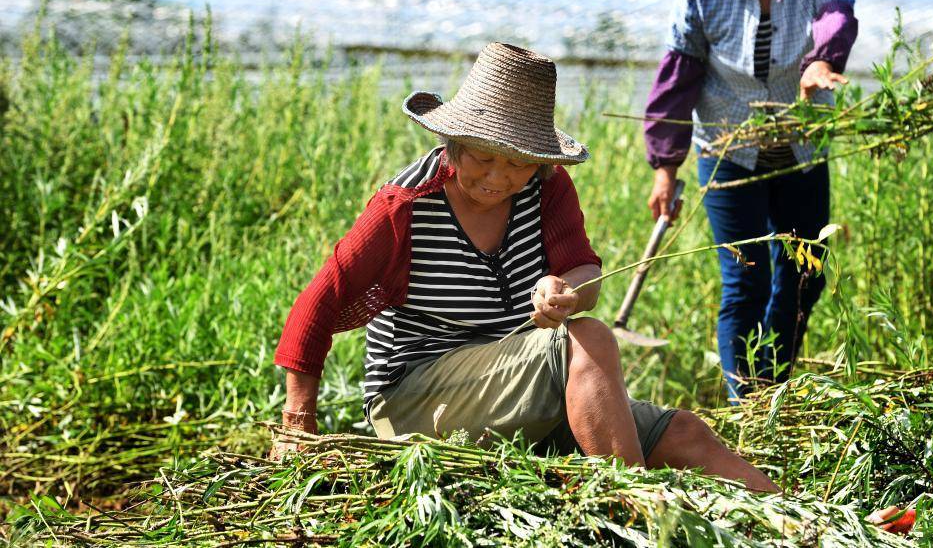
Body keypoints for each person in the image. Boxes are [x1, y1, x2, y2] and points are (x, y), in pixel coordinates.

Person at [272, 41, 778, 494]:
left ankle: (804, 522)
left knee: (685, 433)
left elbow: (583, 273)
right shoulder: (405, 206)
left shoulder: (547, 187)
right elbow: (318, 301)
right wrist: (299, 421)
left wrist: (565, 292)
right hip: (417, 397)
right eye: (484, 158)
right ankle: (635, 504)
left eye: (518, 161)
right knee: (589, 339)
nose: (499, 177)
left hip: (519, 381)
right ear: (454, 142)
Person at [644, 0, 859, 401]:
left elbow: (837, 13)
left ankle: (774, 390)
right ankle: (748, 405)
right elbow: (678, 76)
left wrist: (823, 59)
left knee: (801, 276)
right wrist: (665, 167)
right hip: (727, 149)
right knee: (746, 279)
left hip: (800, 148)